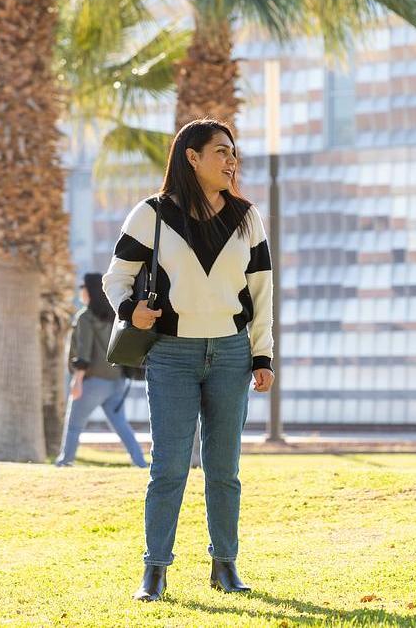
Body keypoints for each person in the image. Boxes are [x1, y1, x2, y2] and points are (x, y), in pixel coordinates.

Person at [103, 119, 275, 602]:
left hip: (232, 354)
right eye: (220, 151)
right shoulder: (151, 214)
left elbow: (262, 294)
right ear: (191, 157)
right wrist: (129, 309)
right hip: (171, 356)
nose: (231, 160)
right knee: (170, 467)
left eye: (233, 152)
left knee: (224, 469)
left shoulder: (246, 216)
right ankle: (154, 571)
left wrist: (262, 355)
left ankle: (225, 566)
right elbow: (115, 278)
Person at [54, 273, 148, 468]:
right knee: (121, 425)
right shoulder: (114, 316)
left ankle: (64, 462)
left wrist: (77, 380)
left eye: (83, 287)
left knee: (74, 425)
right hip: (117, 381)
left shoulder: (85, 317)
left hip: (93, 381)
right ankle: (140, 463)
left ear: (89, 291)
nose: (80, 291)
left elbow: (83, 351)